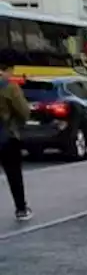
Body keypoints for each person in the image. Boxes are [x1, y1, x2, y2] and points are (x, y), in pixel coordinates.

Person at [0, 69, 32, 223]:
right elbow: (24, 111)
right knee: (14, 174)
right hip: (7, 135)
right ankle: (21, 208)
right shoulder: (9, 87)